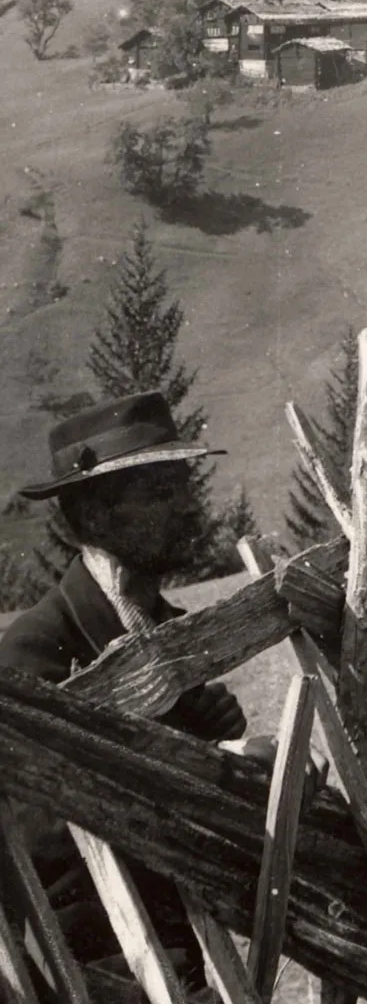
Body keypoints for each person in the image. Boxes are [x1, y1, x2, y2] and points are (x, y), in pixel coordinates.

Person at [1, 392, 251, 964]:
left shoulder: (171, 630)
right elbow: (42, 837)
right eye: (160, 494)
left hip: (187, 952)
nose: (189, 508)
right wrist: (183, 745)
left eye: (184, 487)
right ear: (92, 515)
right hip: (104, 973)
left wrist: (233, 757)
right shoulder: (35, 647)